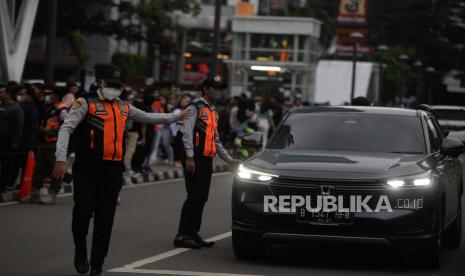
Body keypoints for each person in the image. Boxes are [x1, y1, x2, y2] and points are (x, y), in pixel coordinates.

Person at [51, 77, 190, 276]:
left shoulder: (124, 107)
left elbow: (149, 117)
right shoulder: (85, 103)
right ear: (100, 83)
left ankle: (97, 264)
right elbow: (66, 128)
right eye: (110, 86)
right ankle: (80, 250)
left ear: (123, 88)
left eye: (118, 87)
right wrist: (60, 159)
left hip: (113, 169)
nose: (114, 90)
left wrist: (176, 117)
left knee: (105, 219)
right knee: (83, 213)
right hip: (87, 167)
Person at [174, 78, 241, 249]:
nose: (219, 91)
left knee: (202, 198)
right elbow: (186, 133)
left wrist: (228, 159)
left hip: (206, 159)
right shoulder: (194, 107)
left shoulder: (213, 111)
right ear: (206, 89)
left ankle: (193, 233)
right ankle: (182, 235)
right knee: (193, 196)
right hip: (194, 158)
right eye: (216, 88)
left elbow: (215, 139)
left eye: (220, 89)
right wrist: (189, 156)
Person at [27, 88, 69, 204]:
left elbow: (65, 126)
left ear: (55, 96)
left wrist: (48, 131)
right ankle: (34, 194)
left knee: (55, 170)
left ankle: (53, 194)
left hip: (54, 144)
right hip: (44, 143)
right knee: (39, 169)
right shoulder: (50, 108)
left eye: (50, 95)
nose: (48, 97)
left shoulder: (62, 109)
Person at [0, 84, 24, 193]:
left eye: (1, 92)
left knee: (6, 165)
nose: (0, 94)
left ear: (8, 94)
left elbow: (19, 126)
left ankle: (3, 185)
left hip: (7, 140)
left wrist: (15, 141)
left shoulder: (16, 108)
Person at [16, 85, 40, 192]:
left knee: (19, 163)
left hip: (23, 139)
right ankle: (24, 183)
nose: (21, 96)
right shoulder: (35, 106)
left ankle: (19, 184)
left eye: (23, 94)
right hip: (32, 139)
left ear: (28, 96)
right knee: (27, 164)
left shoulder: (22, 107)